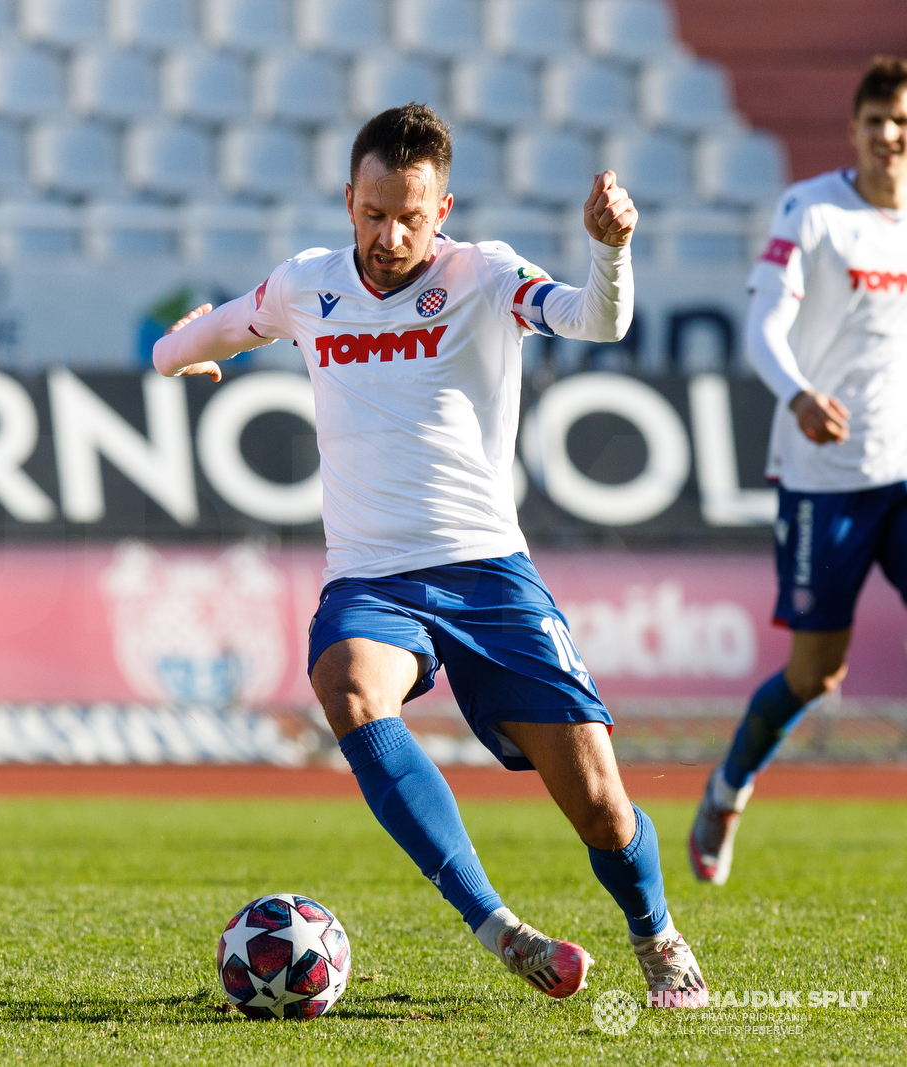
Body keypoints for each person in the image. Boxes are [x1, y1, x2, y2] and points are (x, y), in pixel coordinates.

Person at [155, 104, 708, 1007]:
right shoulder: (307, 285)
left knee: (604, 808)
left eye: (410, 215)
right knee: (346, 684)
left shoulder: (484, 274)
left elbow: (596, 321)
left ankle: (655, 932)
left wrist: (611, 249)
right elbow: (193, 337)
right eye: (373, 213)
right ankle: (503, 929)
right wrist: (180, 356)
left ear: (441, 207)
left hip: (488, 572)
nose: (390, 234)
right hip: (372, 577)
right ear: (348, 199)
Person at [691, 56, 907, 886]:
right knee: (818, 672)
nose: (890, 136)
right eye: (877, 120)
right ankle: (729, 783)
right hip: (827, 476)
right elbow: (762, 327)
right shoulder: (812, 210)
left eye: (902, 122)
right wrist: (798, 394)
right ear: (854, 128)